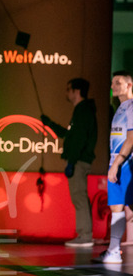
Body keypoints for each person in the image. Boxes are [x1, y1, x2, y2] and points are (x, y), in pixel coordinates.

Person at [41, 78, 97, 247]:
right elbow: (71, 135)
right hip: (79, 160)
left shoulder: (82, 111)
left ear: (76, 91)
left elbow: (79, 139)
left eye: (69, 89)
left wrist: (71, 162)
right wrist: (50, 124)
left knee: (78, 197)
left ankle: (85, 235)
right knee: (80, 196)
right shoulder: (82, 110)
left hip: (79, 161)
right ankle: (85, 234)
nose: (66, 93)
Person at [93, 71, 133, 264]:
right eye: (112, 83)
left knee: (126, 206)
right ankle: (114, 251)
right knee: (116, 207)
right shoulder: (119, 108)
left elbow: (131, 139)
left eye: (118, 83)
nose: (113, 86)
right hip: (117, 164)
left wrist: (117, 163)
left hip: (127, 164)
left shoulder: (132, 107)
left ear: (129, 85)